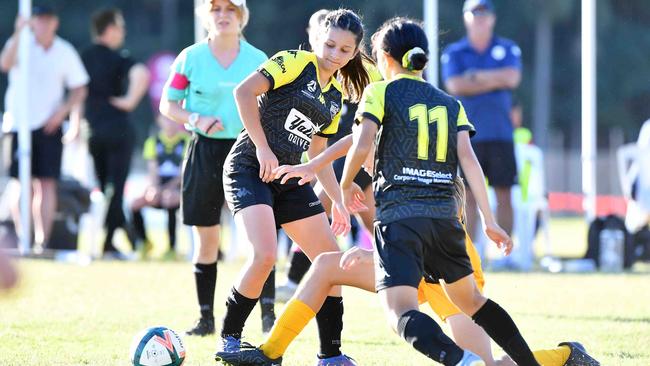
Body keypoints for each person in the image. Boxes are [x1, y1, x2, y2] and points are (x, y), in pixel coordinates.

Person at [217, 173, 599, 365]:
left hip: (447, 275)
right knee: (326, 265)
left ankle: (565, 356)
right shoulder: (371, 163)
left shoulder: (401, 164)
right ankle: (271, 353)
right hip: (408, 271)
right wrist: (328, 185)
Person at [214, 9, 371, 366]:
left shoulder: (335, 96)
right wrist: (263, 148)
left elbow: (319, 154)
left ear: (354, 53)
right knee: (265, 254)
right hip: (249, 168)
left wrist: (339, 202)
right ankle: (230, 339)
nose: (335, 54)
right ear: (318, 39)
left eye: (345, 50)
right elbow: (243, 93)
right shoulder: (294, 62)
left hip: (289, 178)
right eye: (330, 44)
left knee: (332, 262)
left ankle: (330, 355)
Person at [159, 0, 270, 337]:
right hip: (204, 152)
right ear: (206, 16)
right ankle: (205, 319)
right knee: (207, 239)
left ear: (242, 17)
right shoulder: (190, 57)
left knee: (260, 241)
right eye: (216, 9)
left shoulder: (259, 60)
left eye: (230, 9)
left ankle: (268, 317)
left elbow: (272, 109)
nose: (223, 15)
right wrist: (195, 118)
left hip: (247, 153)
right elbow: (168, 104)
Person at [276, 8, 380, 303]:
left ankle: (294, 280)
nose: (335, 50)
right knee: (370, 220)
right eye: (317, 31)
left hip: (355, 152)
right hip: (328, 156)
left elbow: (366, 125)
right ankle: (403, 274)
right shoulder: (305, 69)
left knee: (317, 204)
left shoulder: (364, 72)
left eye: (344, 47)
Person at [1, 5, 89, 252]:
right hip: (20, 124)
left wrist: (64, 114)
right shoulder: (22, 43)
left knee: (47, 183)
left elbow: (79, 88)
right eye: (39, 19)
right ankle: (22, 237)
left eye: (48, 20)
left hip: (48, 126)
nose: (43, 24)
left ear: (55, 23)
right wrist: (18, 33)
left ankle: (42, 241)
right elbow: (5, 64)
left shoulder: (64, 51)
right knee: (21, 182)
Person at [441, 0, 521, 252]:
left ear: (493, 19)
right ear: (466, 17)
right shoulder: (455, 51)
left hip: (500, 133)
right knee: (469, 195)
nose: (480, 19)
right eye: (475, 14)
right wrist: (495, 79)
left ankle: (507, 251)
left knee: (504, 194)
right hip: (468, 135)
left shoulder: (506, 47)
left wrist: (475, 77)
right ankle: (472, 252)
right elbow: (455, 85)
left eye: (485, 14)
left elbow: (513, 77)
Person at [81, 8, 151, 259]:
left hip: (94, 131)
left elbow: (77, 90)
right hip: (119, 130)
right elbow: (142, 73)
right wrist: (129, 101)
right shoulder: (120, 57)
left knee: (102, 189)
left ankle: (119, 235)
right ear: (109, 29)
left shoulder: (84, 57)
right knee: (116, 188)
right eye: (120, 27)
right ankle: (113, 240)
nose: (123, 32)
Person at [130, 115, 189, 259]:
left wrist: (166, 189)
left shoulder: (187, 141)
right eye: (167, 119)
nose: (170, 123)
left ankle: (172, 248)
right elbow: (153, 170)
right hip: (160, 186)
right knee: (135, 204)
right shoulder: (153, 142)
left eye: (174, 119)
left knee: (169, 199)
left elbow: (183, 173)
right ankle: (144, 242)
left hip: (179, 187)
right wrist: (154, 188)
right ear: (159, 121)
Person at [617, 119, 650, 234]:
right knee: (632, 231)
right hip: (641, 197)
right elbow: (622, 153)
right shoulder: (642, 151)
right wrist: (625, 182)